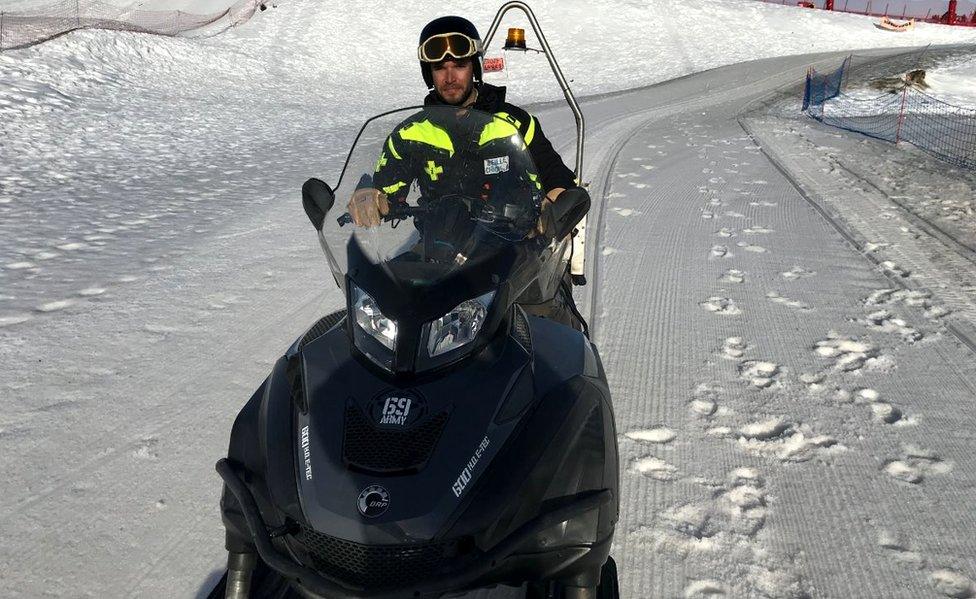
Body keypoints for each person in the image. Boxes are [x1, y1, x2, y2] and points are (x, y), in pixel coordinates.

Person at [348, 15, 587, 332]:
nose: (450, 77)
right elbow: (387, 189)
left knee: (549, 333)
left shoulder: (514, 123)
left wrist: (553, 204)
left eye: (458, 65)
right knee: (377, 310)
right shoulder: (410, 134)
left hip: (515, 249)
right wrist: (369, 194)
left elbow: (557, 179)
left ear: (474, 66)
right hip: (440, 251)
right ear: (429, 74)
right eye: (440, 68)